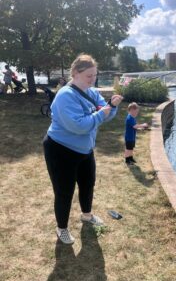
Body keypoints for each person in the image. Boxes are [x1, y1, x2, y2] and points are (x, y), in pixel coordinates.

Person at [43, 54, 123, 244]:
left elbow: (106, 114)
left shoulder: (92, 91)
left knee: (88, 184)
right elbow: (79, 126)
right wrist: (101, 113)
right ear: (76, 73)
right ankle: (61, 228)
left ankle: (86, 215)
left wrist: (111, 106)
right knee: (64, 191)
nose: (93, 79)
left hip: (85, 150)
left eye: (95, 75)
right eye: (89, 75)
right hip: (61, 150)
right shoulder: (65, 95)